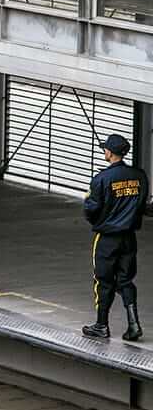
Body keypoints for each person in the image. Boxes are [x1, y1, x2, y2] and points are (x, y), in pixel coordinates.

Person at [83, 133, 146, 341]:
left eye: (105, 149)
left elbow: (91, 210)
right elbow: (141, 205)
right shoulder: (140, 176)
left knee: (103, 281)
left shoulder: (101, 179)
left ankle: (101, 325)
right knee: (126, 280)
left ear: (109, 153)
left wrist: (96, 215)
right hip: (129, 238)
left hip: (107, 238)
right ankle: (134, 324)